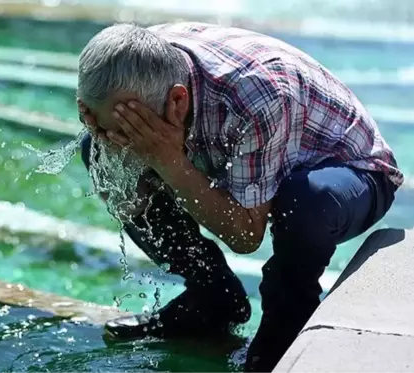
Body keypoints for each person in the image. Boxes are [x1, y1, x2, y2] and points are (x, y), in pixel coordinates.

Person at [76, 23, 403, 372]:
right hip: (243, 149)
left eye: (132, 130)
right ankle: (213, 298)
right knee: (96, 153)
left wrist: (169, 161)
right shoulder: (115, 72)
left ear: (176, 100)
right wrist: (111, 149)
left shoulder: (256, 94)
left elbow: (246, 236)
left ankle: (285, 333)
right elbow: (110, 149)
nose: (117, 138)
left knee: (304, 200)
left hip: (352, 174)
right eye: (101, 125)